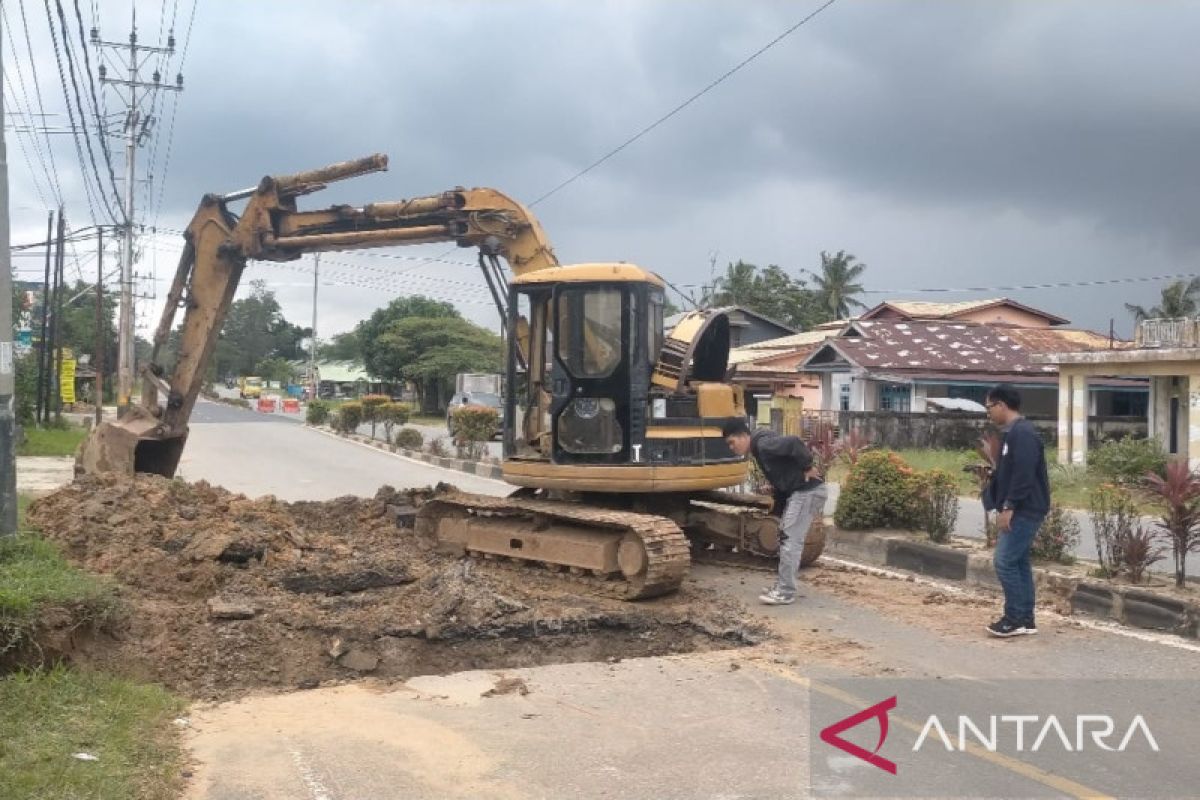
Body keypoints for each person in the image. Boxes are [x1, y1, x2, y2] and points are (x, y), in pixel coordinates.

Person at [722, 418, 827, 606]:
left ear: (743, 436)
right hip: (800, 492)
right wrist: (777, 511)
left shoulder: (762, 444)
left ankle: (785, 592)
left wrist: (808, 467)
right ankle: (783, 585)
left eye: (732, 442)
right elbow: (783, 479)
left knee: (790, 540)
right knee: (784, 536)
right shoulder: (760, 447)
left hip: (806, 492)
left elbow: (794, 442)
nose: (731, 448)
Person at [982, 384, 1051, 638]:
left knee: (1005, 562)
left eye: (989, 407)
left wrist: (1009, 506)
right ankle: (1025, 619)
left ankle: (1014, 618)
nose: (988, 412)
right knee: (1019, 563)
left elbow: (1024, 474)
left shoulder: (1022, 434)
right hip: (1024, 506)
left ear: (1001, 405)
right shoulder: (1014, 433)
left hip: (1024, 508)